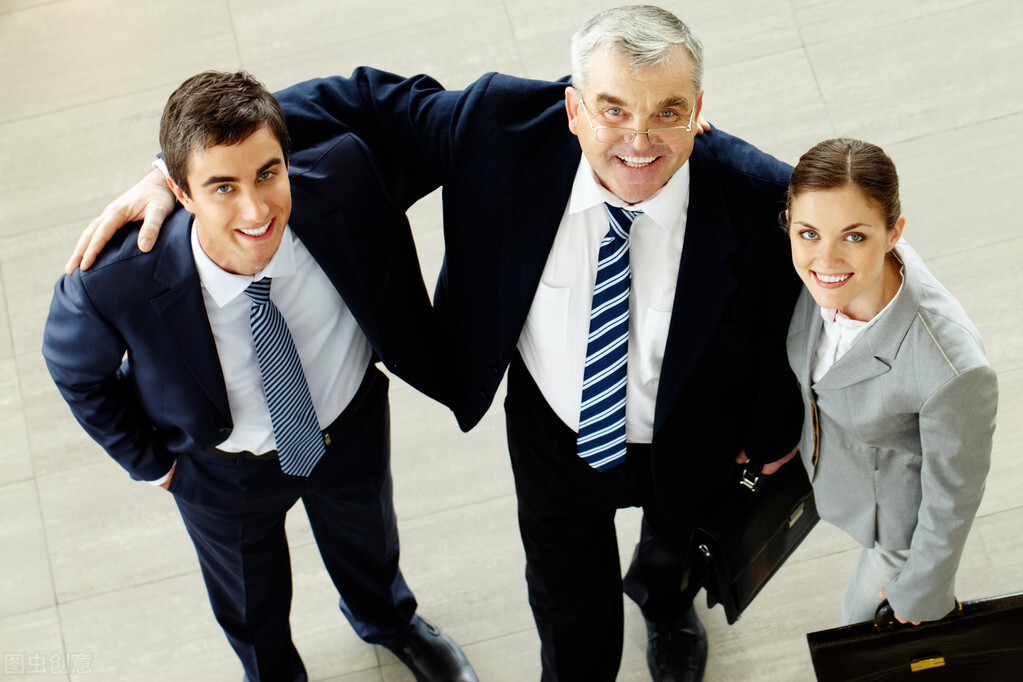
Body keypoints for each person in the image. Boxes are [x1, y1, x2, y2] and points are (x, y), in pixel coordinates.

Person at [68, 7, 805, 681]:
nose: (638, 141)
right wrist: (174, 171)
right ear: (573, 108)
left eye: (666, 112)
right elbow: (350, 103)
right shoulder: (496, 126)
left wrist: (774, 433)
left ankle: (665, 604)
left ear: (697, 112)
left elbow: (794, 314)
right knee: (569, 617)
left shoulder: (759, 196)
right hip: (554, 433)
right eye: (613, 109)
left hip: (692, 432)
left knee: (673, 547)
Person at [44, 71, 478, 682]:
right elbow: (73, 371)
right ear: (180, 192)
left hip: (346, 424)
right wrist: (154, 464)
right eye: (222, 186)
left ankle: (389, 622)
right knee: (250, 600)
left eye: (268, 173)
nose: (256, 210)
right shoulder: (112, 281)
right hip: (222, 470)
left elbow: (401, 111)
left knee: (369, 541)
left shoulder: (345, 179)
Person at [784, 138, 997, 625]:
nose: (827, 259)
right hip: (836, 463)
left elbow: (954, 494)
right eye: (808, 233)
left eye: (854, 236)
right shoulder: (811, 261)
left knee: (858, 632)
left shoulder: (952, 368)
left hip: (896, 521)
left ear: (894, 232)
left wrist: (920, 590)